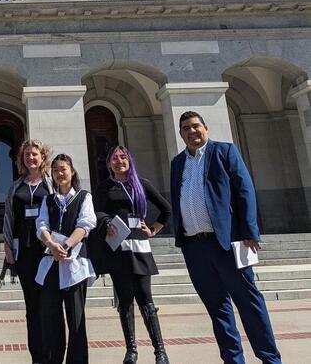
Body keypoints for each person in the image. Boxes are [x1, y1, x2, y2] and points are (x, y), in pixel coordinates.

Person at [170, 111, 282, 364]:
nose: (192, 131)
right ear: (180, 134)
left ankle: (270, 359)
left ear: (206, 127)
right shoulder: (178, 163)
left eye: (196, 126)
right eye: (186, 128)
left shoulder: (224, 151)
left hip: (230, 244)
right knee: (217, 308)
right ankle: (233, 360)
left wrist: (250, 232)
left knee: (249, 304)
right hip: (195, 247)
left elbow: (245, 190)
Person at [89, 146, 171, 364]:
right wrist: (105, 221)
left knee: (146, 299)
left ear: (129, 160)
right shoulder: (105, 187)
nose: (119, 161)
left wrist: (153, 230)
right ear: (108, 164)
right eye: (114, 158)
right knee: (125, 301)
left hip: (140, 248)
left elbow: (166, 209)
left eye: (122, 157)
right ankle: (131, 350)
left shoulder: (141, 184)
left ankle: (160, 351)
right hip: (118, 249)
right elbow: (95, 212)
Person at [36, 154, 96, 364]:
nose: (59, 173)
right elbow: (41, 225)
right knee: (51, 318)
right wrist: (51, 245)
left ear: (72, 171)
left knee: (76, 319)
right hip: (51, 262)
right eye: (55, 170)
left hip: (75, 264)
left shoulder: (83, 197)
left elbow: (86, 224)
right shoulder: (48, 199)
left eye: (63, 169)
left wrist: (67, 245)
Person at [3, 139, 54, 364]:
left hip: (47, 252)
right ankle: (37, 356)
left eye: (34, 154)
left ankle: (52, 354)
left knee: (48, 305)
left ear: (43, 157)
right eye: (26, 155)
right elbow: (9, 218)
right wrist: (7, 246)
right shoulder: (16, 186)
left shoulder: (50, 184)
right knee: (32, 306)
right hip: (23, 251)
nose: (30, 158)